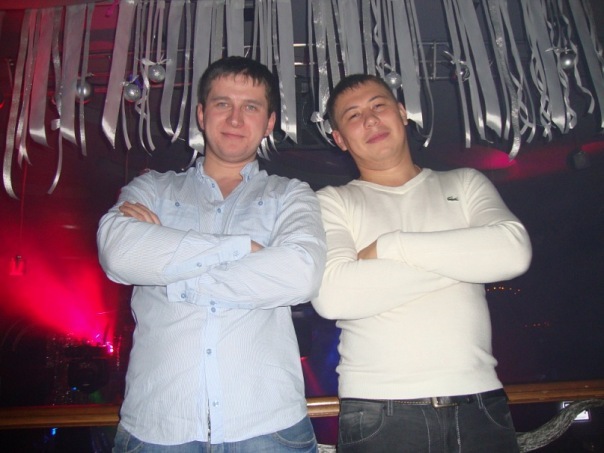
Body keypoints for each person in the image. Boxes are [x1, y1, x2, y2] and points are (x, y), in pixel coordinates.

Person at [97, 56, 326, 452]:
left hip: (268, 426)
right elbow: (119, 253)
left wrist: (172, 271)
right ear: (202, 115)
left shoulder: (291, 194)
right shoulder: (151, 188)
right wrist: (241, 248)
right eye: (223, 104)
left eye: (250, 107)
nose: (235, 118)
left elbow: (301, 275)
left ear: (269, 122)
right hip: (157, 427)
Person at [311, 74, 532, 453]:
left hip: (481, 404)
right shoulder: (331, 201)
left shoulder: (465, 183)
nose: (370, 119)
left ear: (402, 113)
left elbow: (513, 251)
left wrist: (390, 245)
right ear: (340, 139)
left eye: (379, 106)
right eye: (353, 115)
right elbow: (334, 296)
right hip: (379, 409)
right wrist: (464, 260)